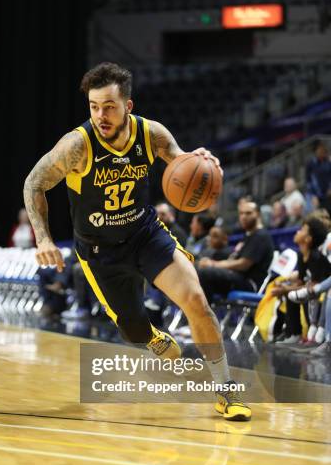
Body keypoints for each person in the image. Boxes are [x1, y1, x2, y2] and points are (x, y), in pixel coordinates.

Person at [24, 61, 251, 421]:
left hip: (145, 235)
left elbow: (182, 164)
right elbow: (34, 183)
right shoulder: (76, 146)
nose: (101, 115)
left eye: (109, 107)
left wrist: (202, 161)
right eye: (94, 107)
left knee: (196, 301)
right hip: (99, 253)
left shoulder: (151, 134)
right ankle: (150, 337)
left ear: (128, 106)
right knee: (132, 329)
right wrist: (43, 238)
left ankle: (225, 391)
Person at [197, 200, 274, 303]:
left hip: (249, 283)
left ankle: (203, 315)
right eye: (241, 213)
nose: (243, 216)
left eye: (248, 213)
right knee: (195, 269)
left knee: (204, 273)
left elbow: (243, 264)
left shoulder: (260, 236)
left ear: (258, 214)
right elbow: (233, 259)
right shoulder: (248, 235)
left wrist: (213, 264)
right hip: (237, 277)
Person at [271, 217, 331, 346]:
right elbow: (300, 281)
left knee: (303, 296)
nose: (297, 232)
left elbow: (313, 285)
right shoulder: (301, 255)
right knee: (291, 294)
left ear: (308, 239)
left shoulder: (317, 258)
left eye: (302, 230)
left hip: (322, 293)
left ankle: (314, 334)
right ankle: (293, 333)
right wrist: (285, 286)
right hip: (310, 290)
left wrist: (285, 289)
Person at [306, 141, 331, 211]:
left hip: (328, 194)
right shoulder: (311, 164)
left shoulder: (328, 162)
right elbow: (308, 181)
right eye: (319, 150)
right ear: (316, 151)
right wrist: (313, 195)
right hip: (317, 195)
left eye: (323, 150)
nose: (321, 151)